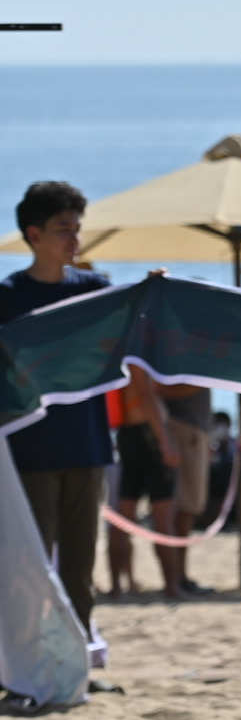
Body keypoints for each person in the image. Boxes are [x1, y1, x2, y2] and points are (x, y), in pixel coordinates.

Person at [0, 182, 114, 637]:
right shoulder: (6, 298)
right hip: (28, 449)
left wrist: (154, 294)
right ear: (34, 235)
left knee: (80, 568)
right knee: (28, 568)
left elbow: (136, 335)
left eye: (77, 229)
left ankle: (79, 662)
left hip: (88, 443)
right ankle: (27, 667)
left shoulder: (96, 290)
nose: (74, 239)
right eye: (63, 229)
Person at [113, 364, 183, 598]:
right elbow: (145, 394)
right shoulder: (137, 354)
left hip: (128, 433)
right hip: (147, 432)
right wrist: (165, 440)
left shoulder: (121, 351)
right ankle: (172, 587)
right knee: (164, 517)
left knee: (124, 513)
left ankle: (116, 586)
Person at [157, 384, 215, 595]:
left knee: (189, 506)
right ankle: (176, 577)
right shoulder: (183, 355)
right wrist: (203, 378)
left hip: (192, 429)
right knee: (183, 507)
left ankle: (180, 576)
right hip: (183, 428)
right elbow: (160, 388)